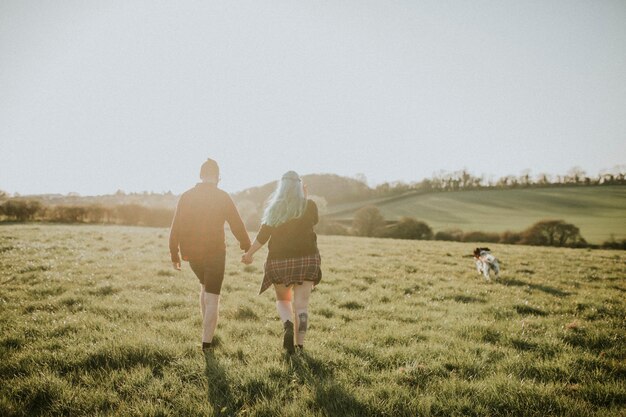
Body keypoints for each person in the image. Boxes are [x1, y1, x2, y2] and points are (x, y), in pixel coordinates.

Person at [169, 158, 251, 351]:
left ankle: (206, 336)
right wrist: (246, 246)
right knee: (212, 296)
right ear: (218, 177)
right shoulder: (222, 196)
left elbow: (175, 227)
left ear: (200, 175)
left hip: (191, 254)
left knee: (204, 287)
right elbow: (236, 224)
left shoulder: (186, 196)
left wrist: (175, 254)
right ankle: (206, 343)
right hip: (215, 253)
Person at [241, 171, 321, 354]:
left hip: (279, 262)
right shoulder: (309, 205)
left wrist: (249, 254)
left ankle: (287, 323)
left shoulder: (274, 208)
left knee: (283, 300)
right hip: (306, 260)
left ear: (281, 186)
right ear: (299, 186)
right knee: (302, 306)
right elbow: (314, 220)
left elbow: (262, 237)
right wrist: (305, 198)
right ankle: (299, 347)